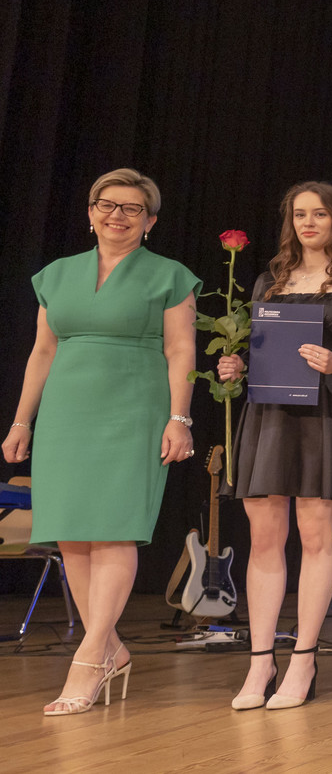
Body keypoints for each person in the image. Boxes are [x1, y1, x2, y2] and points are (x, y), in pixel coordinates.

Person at [3, 169, 199, 715]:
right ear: (90, 212)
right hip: (67, 413)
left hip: (134, 411)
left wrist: (179, 417)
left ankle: (88, 660)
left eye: (132, 208)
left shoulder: (170, 276)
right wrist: (21, 422)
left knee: (113, 530)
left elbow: (181, 350)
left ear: (150, 221)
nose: (118, 215)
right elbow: (42, 351)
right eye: (107, 205)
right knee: (72, 536)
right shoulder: (56, 275)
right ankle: (108, 648)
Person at [219, 183, 332, 710]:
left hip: (325, 416)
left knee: (315, 538)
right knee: (263, 540)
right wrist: (238, 365)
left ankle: (304, 659)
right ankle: (260, 662)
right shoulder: (267, 281)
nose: (308, 223)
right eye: (299, 214)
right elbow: (259, 349)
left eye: (319, 214)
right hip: (267, 416)